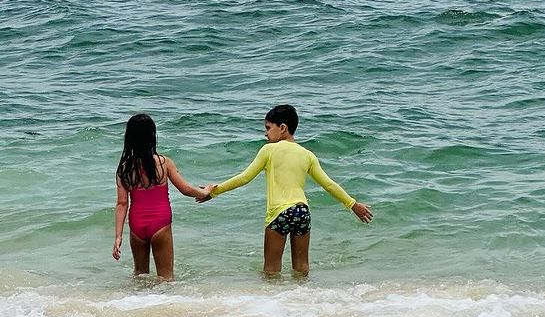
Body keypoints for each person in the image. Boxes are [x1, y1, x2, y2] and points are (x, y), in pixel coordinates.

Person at [200, 103, 372, 275]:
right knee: (302, 269)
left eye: (268, 128)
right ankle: (302, 299)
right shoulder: (307, 155)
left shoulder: (268, 150)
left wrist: (214, 191)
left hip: (279, 213)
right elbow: (329, 184)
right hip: (302, 211)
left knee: (271, 271)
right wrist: (353, 204)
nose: (265, 133)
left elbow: (245, 177)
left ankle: (275, 300)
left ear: (282, 128)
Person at [113, 112, 207, 280]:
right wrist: (204, 192)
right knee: (166, 278)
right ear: (152, 136)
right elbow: (185, 189)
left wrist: (118, 236)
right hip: (160, 224)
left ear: (129, 138)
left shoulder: (125, 169)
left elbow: (121, 204)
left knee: (140, 277)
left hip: (137, 226)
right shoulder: (164, 163)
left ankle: (137, 305)